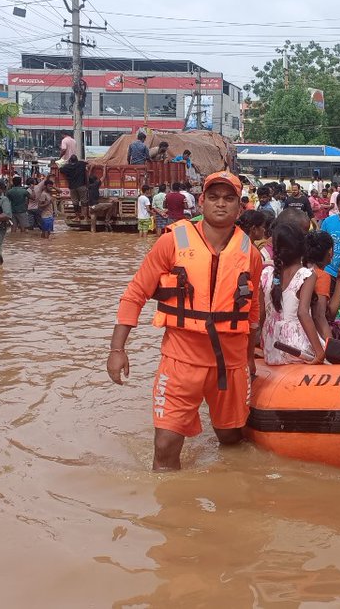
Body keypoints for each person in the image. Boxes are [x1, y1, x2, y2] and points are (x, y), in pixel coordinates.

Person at [107, 171, 261, 471]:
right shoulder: (172, 242)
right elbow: (135, 293)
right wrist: (117, 349)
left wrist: (249, 357)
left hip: (229, 362)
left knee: (231, 439)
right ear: (201, 201)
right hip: (181, 359)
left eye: (229, 199)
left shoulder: (250, 254)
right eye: (213, 197)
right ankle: (169, 513)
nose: (221, 205)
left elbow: (253, 309)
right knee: (164, 448)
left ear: (240, 207)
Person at [261, 222, 326, 365]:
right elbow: (303, 313)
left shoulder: (266, 274)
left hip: (271, 348)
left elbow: (260, 315)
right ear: (303, 249)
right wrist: (320, 353)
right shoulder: (306, 275)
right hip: (295, 348)